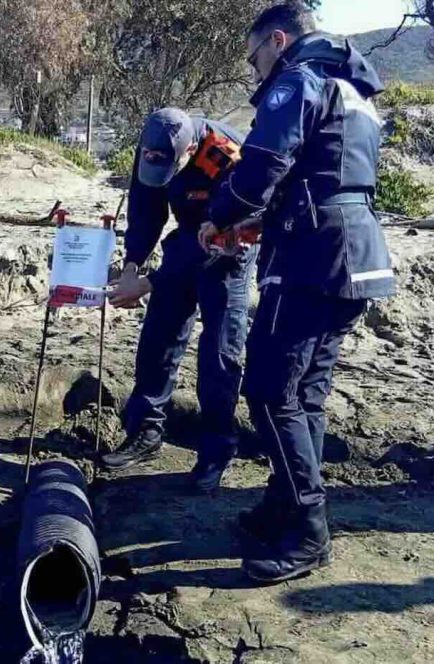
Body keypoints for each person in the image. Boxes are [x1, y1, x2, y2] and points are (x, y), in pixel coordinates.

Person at [200, 3, 396, 582]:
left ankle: (309, 531)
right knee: (305, 392)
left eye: (255, 56)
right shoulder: (354, 91)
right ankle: (284, 506)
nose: (256, 71)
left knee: (267, 392)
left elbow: (263, 164)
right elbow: (326, 175)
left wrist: (221, 214)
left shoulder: (299, 79)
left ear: (277, 40)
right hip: (355, 254)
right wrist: (261, 220)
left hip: (310, 258)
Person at [103, 108, 258, 493]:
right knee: (159, 334)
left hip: (230, 245)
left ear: (190, 149)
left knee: (220, 352)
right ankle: (147, 432)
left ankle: (216, 450)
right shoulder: (152, 148)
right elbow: (146, 210)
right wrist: (131, 266)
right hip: (188, 235)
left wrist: (151, 281)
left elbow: (220, 240)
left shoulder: (226, 155)